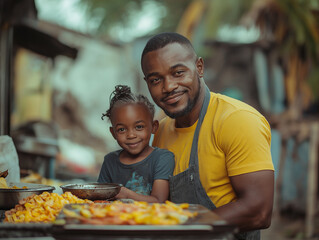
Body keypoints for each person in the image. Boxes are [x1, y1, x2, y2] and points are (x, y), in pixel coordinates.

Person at [141, 32, 274, 239]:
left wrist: (182, 227)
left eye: (178, 73)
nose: (168, 87)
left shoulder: (237, 120)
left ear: (199, 68)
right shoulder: (162, 131)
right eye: (156, 80)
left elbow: (259, 212)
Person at [97, 85, 175, 203]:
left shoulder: (162, 158)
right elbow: (99, 201)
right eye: (122, 129)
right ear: (113, 133)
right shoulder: (110, 161)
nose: (131, 135)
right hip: (114, 219)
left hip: (153, 220)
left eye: (139, 127)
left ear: (154, 127)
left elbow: (159, 201)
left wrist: (126, 194)